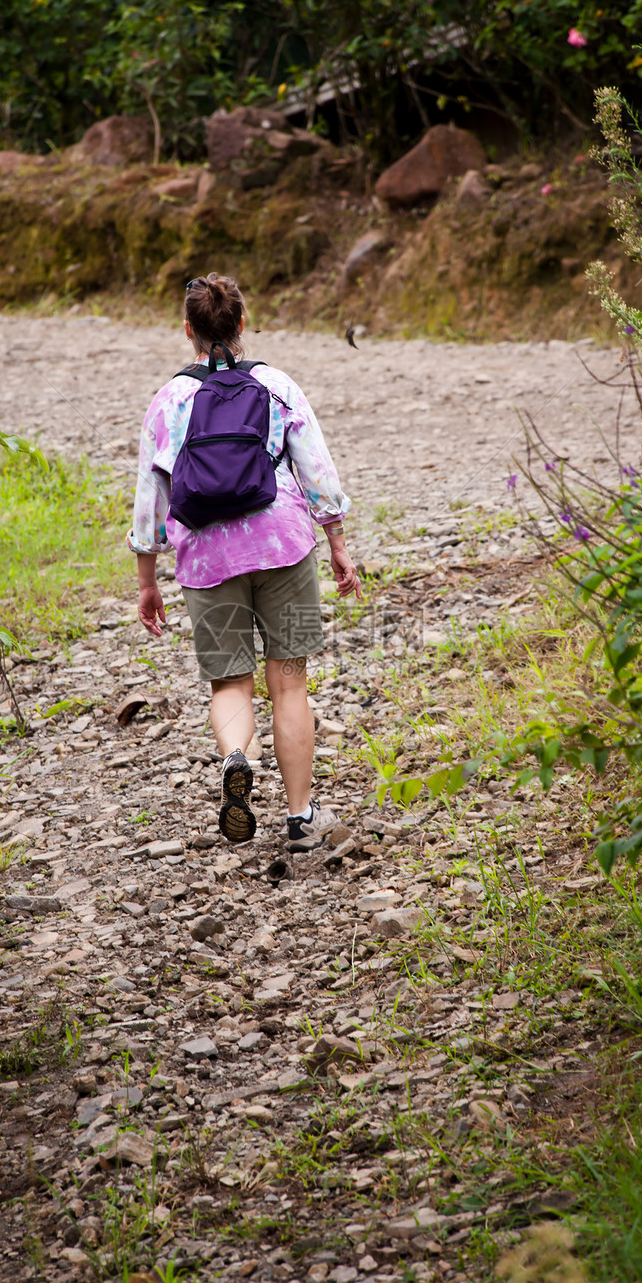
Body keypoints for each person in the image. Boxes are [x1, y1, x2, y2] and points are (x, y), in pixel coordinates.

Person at [128, 272, 361, 852]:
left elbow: (149, 497)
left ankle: (237, 757)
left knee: (230, 682)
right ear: (242, 322)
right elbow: (316, 468)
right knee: (290, 681)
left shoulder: (169, 399)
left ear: (189, 329)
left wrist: (147, 580)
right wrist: (336, 541)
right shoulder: (278, 385)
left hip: (206, 555)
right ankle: (302, 817)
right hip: (284, 540)